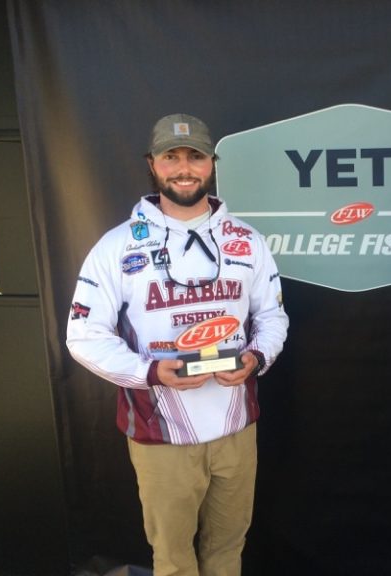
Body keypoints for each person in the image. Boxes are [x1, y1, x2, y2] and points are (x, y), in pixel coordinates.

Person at [66, 113, 289, 576]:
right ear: (153, 164)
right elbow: (83, 336)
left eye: (195, 156)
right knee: (172, 557)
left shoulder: (246, 240)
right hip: (160, 433)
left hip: (235, 428)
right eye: (172, 157)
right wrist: (150, 373)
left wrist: (256, 358)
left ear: (211, 164)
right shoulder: (117, 246)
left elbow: (272, 316)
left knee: (228, 549)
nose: (184, 168)